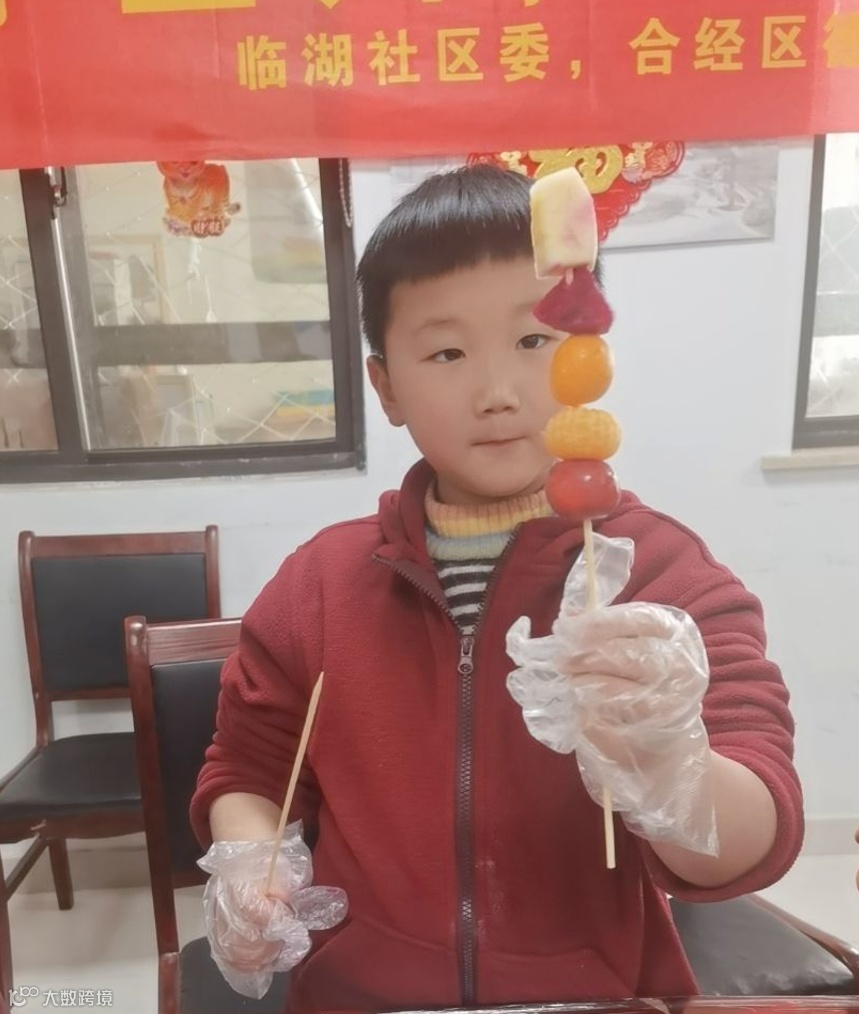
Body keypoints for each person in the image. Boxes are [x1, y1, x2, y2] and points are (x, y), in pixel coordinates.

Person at [190, 164, 803, 1013]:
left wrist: (674, 768)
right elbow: (248, 767)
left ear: (589, 351)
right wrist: (249, 867)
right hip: (365, 997)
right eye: (446, 352)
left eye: (534, 341)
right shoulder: (318, 586)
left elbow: (746, 841)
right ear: (386, 386)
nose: (497, 394)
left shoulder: (661, 578)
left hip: (598, 996)